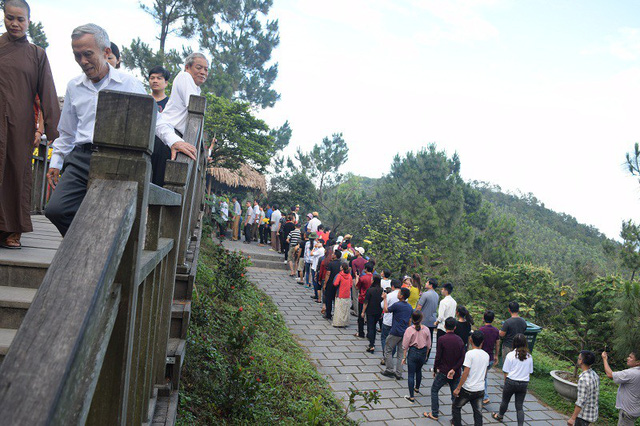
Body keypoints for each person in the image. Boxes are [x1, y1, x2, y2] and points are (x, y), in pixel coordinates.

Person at [45, 24, 195, 237]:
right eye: (77, 56)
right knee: (56, 210)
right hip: (81, 157)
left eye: (88, 54)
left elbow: (156, 119)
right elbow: (68, 131)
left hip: (118, 160)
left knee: (110, 215)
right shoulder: (74, 86)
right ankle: (90, 246)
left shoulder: (129, 84)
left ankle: (92, 251)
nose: (83, 61)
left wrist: (173, 141)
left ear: (106, 52)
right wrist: (56, 161)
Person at [1, 0, 60, 249]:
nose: (15, 23)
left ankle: (13, 229)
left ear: (28, 21)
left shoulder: (37, 54)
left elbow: (47, 91)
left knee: (16, 172)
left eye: (20, 19)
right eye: (10, 18)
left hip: (19, 124)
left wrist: (54, 130)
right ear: (4, 17)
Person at [150, 52, 206, 186]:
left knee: (163, 184)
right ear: (187, 67)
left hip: (173, 137)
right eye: (199, 68)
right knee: (161, 183)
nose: (203, 72)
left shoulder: (195, 88)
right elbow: (193, 105)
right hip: (167, 136)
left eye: (206, 69)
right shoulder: (185, 77)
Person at [424, 317, 465, 421]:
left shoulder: (442, 339)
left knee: (434, 390)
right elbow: (462, 358)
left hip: (443, 371)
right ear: (455, 327)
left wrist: (435, 369)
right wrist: (455, 369)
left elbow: (438, 357)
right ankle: (455, 419)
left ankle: (434, 413)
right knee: (454, 395)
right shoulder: (459, 340)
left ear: (445, 326)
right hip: (455, 373)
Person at [492, 334, 533, 425]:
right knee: (519, 406)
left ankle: (500, 416)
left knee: (505, 401)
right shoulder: (529, 356)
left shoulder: (510, 355)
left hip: (511, 382)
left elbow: (505, 371)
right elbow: (529, 371)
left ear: (514, 343)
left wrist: (506, 382)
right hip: (523, 384)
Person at [452, 330, 490, 426]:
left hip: (468, 389)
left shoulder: (469, 354)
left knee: (456, 407)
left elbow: (465, 372)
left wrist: (458, 388)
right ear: (482, 342)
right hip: (480, 389)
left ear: (470, 340)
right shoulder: (486, 355)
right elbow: (485, 373)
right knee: (478, 413)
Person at [381, 287, 413, 380]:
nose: (397, 294)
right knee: (400, 354)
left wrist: (385, 298)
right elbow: (410, 320)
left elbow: (386, 310)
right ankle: (399, 373)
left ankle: (389, 370)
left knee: (388, 349)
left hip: (395, 331)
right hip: (404, 332)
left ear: (402, 296)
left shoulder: (397, 305)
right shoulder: (409, 307)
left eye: (399, 293)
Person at [602, 350, 640, 426]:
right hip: (635, 409)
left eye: (630, 357)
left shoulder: (631, 373)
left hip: (627, 411)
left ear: (638, 362)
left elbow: (610, 374)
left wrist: (604, 359)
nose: (627, 358)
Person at [402, 310, 432, 403]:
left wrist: (404, 357)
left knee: (411, 374)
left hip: (413, 352)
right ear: (421, 318)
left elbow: (405, 345)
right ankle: (417, 388)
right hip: (422, 352)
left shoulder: (409, 330)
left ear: (412, 318)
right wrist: (426, 355)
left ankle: (411, 397)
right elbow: (429, 344)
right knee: (418, 371)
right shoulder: (426, 329)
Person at [568, 350, 599, 426]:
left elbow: (581, 401)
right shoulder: (594, 375)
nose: (578, 360)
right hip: (591, 413)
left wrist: (572, 418)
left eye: (579, 358)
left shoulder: (583, 379)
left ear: (581, 361)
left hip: (583, 415)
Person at [479, 310, 501, 404]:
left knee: (482, 377)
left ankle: (485, 397)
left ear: (483, 318)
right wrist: (496, 355)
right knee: (483, 376)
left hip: (482, 358)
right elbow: (497, 344)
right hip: (490, 358)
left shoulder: (481, 330)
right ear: (493, 319)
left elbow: (479, 344)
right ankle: (481, 395)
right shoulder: (496, 331)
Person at [417, 278, 439, 362]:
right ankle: (427, 356)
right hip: (432, 319)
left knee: (421, 338)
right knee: (429, 338)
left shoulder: (425, 294)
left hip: (424, 319)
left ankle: (420, 355)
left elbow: (419, 307)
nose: (425, 283)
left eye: (427, 282)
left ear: (431, 285)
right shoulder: (436, 295)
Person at [380, 279, 402, 363]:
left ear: (392, 286)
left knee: (384, 338)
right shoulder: (403, 296)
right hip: (397, 322)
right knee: (394, 340)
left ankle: (386, 356)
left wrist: (384, 298)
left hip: (388, 320)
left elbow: (382, 306)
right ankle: (391, 355)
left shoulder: (389, 295)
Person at [362, 275, 383, 353]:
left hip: (370, 311)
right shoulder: (381, 290)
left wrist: (363, 312)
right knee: (374, 326)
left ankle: (371, 345)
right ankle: (372, 342)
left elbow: (366, 302)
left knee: (371, 327)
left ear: (374, 280)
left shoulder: (370, 290)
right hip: (378, 311)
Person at [354, 263, 373, 339]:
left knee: (361, 316)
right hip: (371, 300)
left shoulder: (363, 278)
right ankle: (369, 333)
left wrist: (357, 278)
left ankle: (361, 332)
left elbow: (357, 287)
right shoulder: (374, 278)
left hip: (362, 298)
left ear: (366, 269)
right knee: (369, 317)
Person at [322, 250, 342, 320]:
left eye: (333, 254)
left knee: (329, 299)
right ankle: (337, 314)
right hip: (338, 284)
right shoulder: (341, 264)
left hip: (330, 283)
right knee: (336, 300)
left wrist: (325, 283)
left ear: (335, 256)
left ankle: (328, 314)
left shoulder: (331, 264)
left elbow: (328, 274)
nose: (332, 255)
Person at [332, 263, 352, 327]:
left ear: (342, 268)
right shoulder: (349, 276)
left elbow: (335, 283)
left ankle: (338, 323)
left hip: (340, 294)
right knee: (345, 310)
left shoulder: (340, 275)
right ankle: (345, 322)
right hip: (347, 294)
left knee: (339, 309)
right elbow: (351, 285)